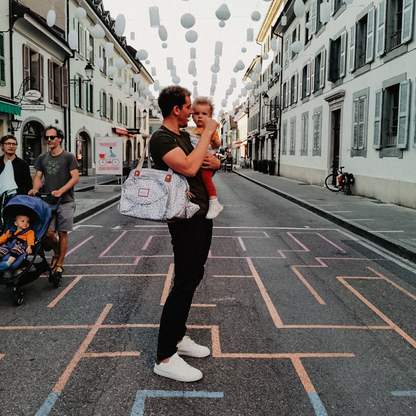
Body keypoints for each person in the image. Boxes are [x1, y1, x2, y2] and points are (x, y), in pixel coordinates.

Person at [150, 86, 220, 382]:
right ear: (176, 109)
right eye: (188, 106)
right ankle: (165, 356)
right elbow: (190, 168)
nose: (192, 111)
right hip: (185, 218)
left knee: (193, 277)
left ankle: (178, 338)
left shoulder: (182, 137)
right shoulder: (162, 138)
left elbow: (203, 166)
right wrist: (209, 131)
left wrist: (216, 163)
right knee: (183, 283)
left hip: (200, 215)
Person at [28, 126, 79, 279]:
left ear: (59, 139)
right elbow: (37, 176)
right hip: (48, 202)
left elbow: (75, 178)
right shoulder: (42, 158)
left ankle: (59, 264)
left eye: (52, 137)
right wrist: (35, 189)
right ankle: (56, 252)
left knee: (62, 232)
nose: (49, 140)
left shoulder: (69, 157)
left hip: (65, 201)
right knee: (49, 233)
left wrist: (61, 190)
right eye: (47, 137)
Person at [190, 97, 223, 219]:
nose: (200, 116)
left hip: (209, 156)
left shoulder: (210, 129)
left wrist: (214, 139)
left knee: (205, 177)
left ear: (210, 116)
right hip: (199, 158)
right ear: (192, 115)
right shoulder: (192, 131)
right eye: (196, 113)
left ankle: (214, 201)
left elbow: (218, 145)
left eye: (204, 114)